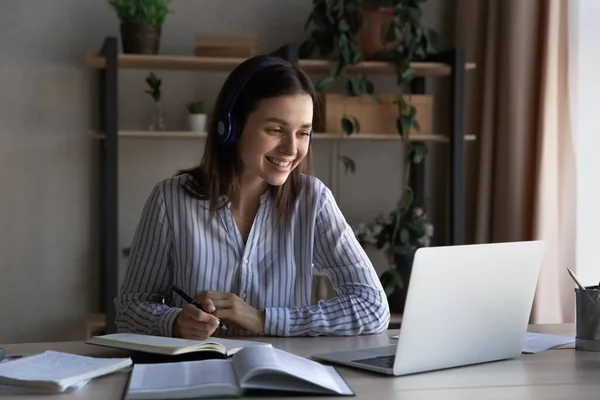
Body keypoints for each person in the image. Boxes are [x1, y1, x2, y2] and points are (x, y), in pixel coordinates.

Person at [114, 55, 390, 339]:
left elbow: (373, 308)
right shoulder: (170, 199)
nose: (292, 149)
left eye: (303, 133)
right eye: (275, 130)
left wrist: (264, 319)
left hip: (282, 376)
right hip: (198, 376)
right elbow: (129, 310)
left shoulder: (313, 200)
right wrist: (174, 322)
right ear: (230, 127)